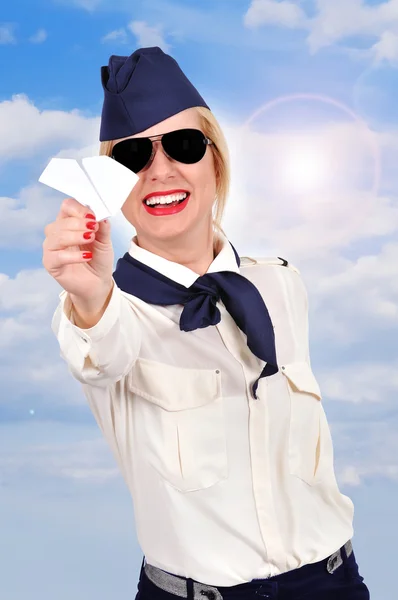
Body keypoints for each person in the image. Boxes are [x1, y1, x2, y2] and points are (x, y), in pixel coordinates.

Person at [43, 47, 371, 599]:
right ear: (111, 185)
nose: (161, 170)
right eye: (131, 157)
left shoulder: (282, 286)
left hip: (331, 583)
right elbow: (99, 350)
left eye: (184, 145)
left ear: (215, 160)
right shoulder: (108, 309)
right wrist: (89, 296)